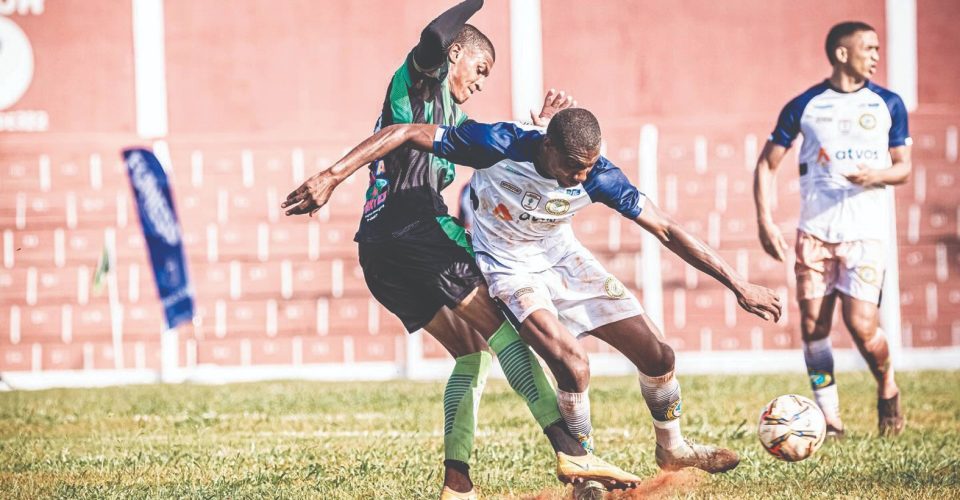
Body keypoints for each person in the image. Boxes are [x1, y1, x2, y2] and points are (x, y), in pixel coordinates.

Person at [283, 107, 784, 476]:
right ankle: (582, 467)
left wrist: (736, 283)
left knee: (657, 354)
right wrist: (331, 177)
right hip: (506, 266)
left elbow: (667, 230)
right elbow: (404, 131)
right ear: (547, 148)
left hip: (562, 257)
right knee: (573, 363)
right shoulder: (497, 143)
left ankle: (671, 447)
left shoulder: (599, 175)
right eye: (574, 167)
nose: (584, 178)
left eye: (591, 167)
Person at [291, 2, 638, 498]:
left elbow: (497, 156)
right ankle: (573, 452)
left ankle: (458, 485)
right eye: (479, 69)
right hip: (420, 231)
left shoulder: (454, 116)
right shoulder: (423, 79)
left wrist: (536, 129)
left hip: (377, 248)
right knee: (508, 339)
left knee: (471, 354)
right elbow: (433, 36)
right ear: (455, 55)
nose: (479, 82)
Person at [752, 21, 911, 437]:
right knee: (813, 327)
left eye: (878, 49)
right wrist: (765, 220)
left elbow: (904, 168)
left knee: (862, 326)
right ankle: (830, 419)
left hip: (866, 235)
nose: (876, 55)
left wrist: (876, 175)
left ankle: (887, 385)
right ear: (843, 54)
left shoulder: (888, 104)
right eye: (869, 48)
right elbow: (768, 164)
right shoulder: (805, 105)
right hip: (815, 234)